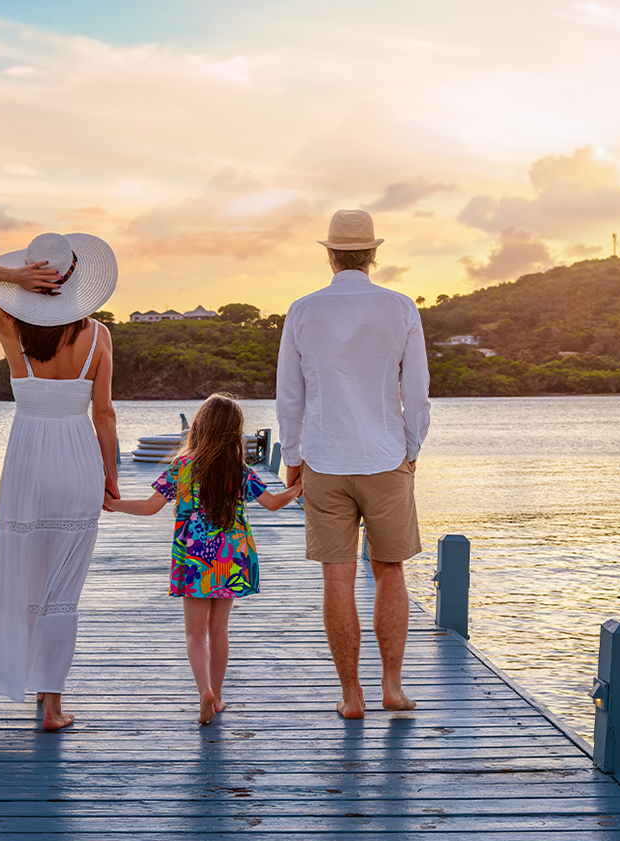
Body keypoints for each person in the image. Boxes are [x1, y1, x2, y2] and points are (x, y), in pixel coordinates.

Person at [0, 231, 121, 733]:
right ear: (76, 283)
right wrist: (109, 478)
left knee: (25, 575)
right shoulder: (99, 337)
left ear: (32, 282)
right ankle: (51, 704)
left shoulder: (11, 328)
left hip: (27, 460)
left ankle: (27, 682)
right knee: (63, 589)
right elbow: (104, 415)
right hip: (78, 460)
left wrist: (10, 277)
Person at [275, 208, 432, 718]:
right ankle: (392, 687)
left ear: (329, 253)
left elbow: (289, 397)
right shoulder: (401, 307)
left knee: (337, 579)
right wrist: (411, 450)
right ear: (372, 254)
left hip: (324, 458)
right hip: (387, 458)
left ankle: (351, 696)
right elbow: (418, 394)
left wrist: (294, 458)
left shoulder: (302, 310)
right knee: (390, 573)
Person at [105, 393, 302, 724]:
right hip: (231, 558)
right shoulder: (239, 470)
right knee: (219, 629)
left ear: (199, 427)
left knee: (195, 632)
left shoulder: (182, 467)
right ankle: (219, 696)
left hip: (194, 558)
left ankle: (204, 691)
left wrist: (112, 504)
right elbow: (273, 503)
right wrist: (298, 488)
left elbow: (150, 507)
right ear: (234, 433)